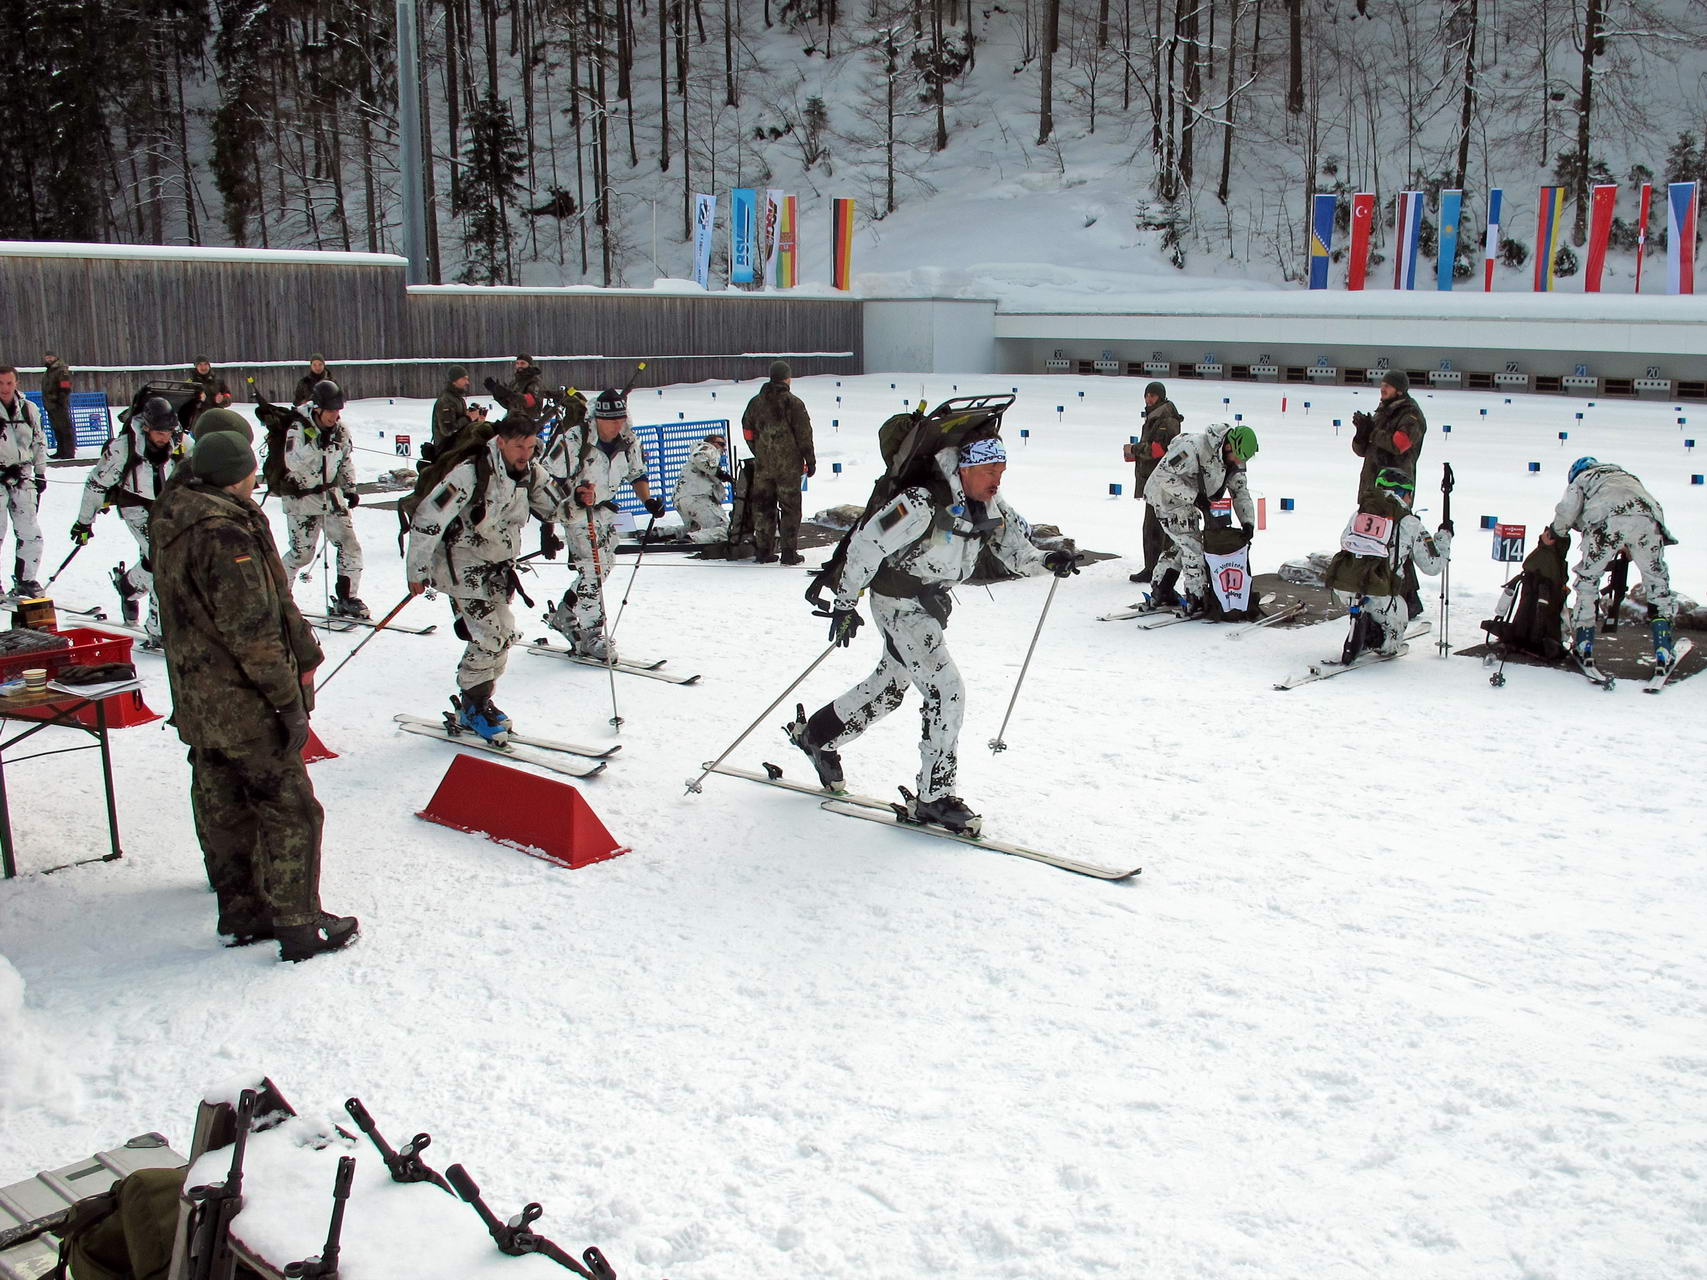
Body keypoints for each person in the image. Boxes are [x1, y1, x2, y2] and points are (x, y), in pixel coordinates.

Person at [786, 435, 1079, 835]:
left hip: (929, 605)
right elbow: (867, 544)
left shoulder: (990, 506)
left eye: (1002, 471)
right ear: (965, 468)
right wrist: (845, 601)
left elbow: (1017, 552)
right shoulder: (920, 503)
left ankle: (816, 737)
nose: (997, 479)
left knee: (889, 687)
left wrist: (1048, 560)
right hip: (898, 604)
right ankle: (934, 797)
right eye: (990, 471)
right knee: (946, 689)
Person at [151, 429, 357, 962]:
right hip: (240, 702)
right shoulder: (225, 534)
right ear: (238, 474)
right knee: (292, 810)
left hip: (198, 698)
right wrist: (286, 701)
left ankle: (242, 912)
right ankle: (299, 925)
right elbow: (253, 631)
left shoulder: (175, 514)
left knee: (224, 805)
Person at [406, 415, 560, 741]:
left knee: (504, 635)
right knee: (489, 635)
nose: (525, 453)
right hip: (459, 566)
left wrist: (579, 499)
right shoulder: (470, 473)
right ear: (501, 442)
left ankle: (479, 701)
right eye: (518, 446)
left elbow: (557, 507)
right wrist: (417, 569)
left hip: (496, 568)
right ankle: (472, 705)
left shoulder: (529, 472)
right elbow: (428, 517)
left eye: (530, 446)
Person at [539, 387, 663, 661]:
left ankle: (566, 612)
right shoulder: (575, 439)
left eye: (622, 418)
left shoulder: (628, 439)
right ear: (597, 419)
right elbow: (546, 479)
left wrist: (648, 501)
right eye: (612, 420)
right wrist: (548, 524)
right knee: (593, 570)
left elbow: (636, 472)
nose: (618, 424)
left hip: (605, 512)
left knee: (604, 567)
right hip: (576, 511)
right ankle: (591, 633)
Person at [72, 394, 191, 643]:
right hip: (136, 507)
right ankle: (158, 630)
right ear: (146, 427)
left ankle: (127, 588)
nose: (164, 437)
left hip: (170, 508)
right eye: (159, 432)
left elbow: (201, 466)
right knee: (163, 561)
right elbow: (96, 484)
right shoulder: (123, 448)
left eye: (168, 431)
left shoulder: (181, 443)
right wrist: (84, 521)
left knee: (154, 559)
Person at [1542, 456, 1679, 669]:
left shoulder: (1582, 479)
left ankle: (1583, 645)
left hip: (1604, 523)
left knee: (1588, 582)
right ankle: (1663, 649)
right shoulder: (1626, 477)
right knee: (1657, 585)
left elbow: (1567, 511)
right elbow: (1644, 507)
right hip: (1648, 523)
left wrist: (1556, 532)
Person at [1324, 467, 1452, 660]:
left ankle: (1362, 623)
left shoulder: (1359, 513)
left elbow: (1345, 541)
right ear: (1405, 493)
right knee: (1398, 620)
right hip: (1380, 593)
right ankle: (1381, 642)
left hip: (1345, 587)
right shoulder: (1409, 522)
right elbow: (1432, 565)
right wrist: (1444, 537)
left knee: (1367, 602)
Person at [1143, 422, 1259, 614]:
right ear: (1229, 445)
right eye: (1237, 457)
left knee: (1185, 544)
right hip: (1167, 497)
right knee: (1193, 546)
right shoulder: (1192, 448)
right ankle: (1195, 597)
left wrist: (1248, 522)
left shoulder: (1233, 460)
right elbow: (1164, 474)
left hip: (1189, 501)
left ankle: (1161, 588)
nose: (1238, 462)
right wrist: (1194, 497)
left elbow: (1240, 491)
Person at [278, 381, 368, 619]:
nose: (334, 416)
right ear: (317, 409)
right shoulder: (298, 428)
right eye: (330, 411)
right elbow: (292, 462)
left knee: (349, 545)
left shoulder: (340, 430)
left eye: (337, 411)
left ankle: (347, 598)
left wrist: (350, 488)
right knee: (301, 554)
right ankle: (279, 597)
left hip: (330, 497)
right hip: (302, 499)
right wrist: (316, 447)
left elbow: (346, 459)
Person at [1351, 369, 1427, 616]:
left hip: (1396, 489)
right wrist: (1361, 434)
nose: (1382, 389)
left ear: (1400, 389)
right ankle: (1379, 590)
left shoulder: (1411, 415)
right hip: (1373, 488)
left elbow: (1399, 443)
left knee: (1397, 541)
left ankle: (1409, 598)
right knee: (1373, 539)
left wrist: (1372, 431)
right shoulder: (1384, 411)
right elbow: (1364, 450)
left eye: (1388, 386)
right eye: (1382, 385)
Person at [741, 359, 815, 564]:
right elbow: (804, 435)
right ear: (787, 378)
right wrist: (810, 460)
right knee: (790, 508)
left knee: (764, 507)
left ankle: (763, 551)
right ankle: (789, 552)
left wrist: (758, 451)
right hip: (789, 467)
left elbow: (747, 431)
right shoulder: (793, 403)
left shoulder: (755, 403)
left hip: (763, 466)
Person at [1125, 381, 1182, 583]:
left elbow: (1161, 449)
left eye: (1153, 395)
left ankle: (1155, 570)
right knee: (1157, 527)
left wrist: (1135, 449)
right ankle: (1159, 569)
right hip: (1154, 480)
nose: (1149, 399)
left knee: (1154, 528)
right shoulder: (1156, 416)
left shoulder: (1165, 418)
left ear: (1161, 397)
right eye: (1147, 395)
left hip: (1160, 481)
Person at [0, 366, 49, 598]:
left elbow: (39, 441)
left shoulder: (29, 410)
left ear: (16, 383)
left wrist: (40, 473)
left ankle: (26, 579)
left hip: (22, 477)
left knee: (31, 533)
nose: (5, 389)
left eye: (9, 383)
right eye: (0, 384)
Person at [672, 431, 732, 543]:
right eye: (721, 444)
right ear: (711, 442)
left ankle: (661, 533)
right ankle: (692, 539)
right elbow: (699, 458)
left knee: (693, 528)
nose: (724, 448)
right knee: (726, 529)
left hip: (681, 498)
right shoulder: (708, 448)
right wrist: (719, 473)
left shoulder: (703, 455)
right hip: (697, 497)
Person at [430, 365, 486, 456]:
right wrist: (468, 417)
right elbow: (448, 430)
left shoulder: (457, 399)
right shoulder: (446, 401)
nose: (467, 382)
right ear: (454, 381)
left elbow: (461, 425)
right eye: (464, 379)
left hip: (457, 449)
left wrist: (476, 420)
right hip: (447, 453)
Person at [42, 351, 76, 459]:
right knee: (57, 429)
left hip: (58, 404)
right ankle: (61, 451)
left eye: (51, 357)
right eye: (47, 357)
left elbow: (65, 387)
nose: (48, 359)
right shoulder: (49, 371)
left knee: (65, 429)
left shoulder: (61, 370)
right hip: (50, 405)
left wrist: (60, 401)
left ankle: (69, 452)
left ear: (56, 357)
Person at [186, 356, 218, 428]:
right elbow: (184, 399)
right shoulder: (190, 381)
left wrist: (222, 400)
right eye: (200, 365)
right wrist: (197, 398)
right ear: (196, 367)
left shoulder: (217, 381)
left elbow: (227, 396)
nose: (203, 367)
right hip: (197, 419)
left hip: (216, 416)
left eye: (205, 364)